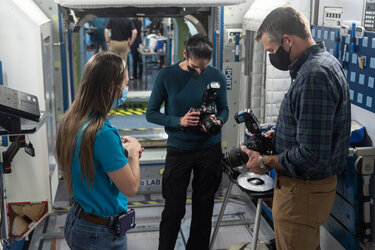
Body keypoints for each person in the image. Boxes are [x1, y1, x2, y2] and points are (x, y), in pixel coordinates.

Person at [240, 7, 351, 250]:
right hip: (305, 192)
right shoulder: (320, 64)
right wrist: (277, 136)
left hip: (302, 193)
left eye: (271, 50)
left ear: (288, 40)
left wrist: (264, 161)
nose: (271, 56)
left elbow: (311, 155)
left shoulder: (314, 75)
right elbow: (309, 130)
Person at [146, 34, 229, 250]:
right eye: (194, 67)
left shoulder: (217, 75)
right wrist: (178, 121)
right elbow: (151, 113)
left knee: (204, 207)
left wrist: (218, 120)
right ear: (185, 55)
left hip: (209, 149)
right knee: (174, 209)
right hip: (179, 149)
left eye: (203, 67)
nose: (199, 72)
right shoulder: (167, 76)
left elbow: (225, 109)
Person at [55, 51, 143, 250]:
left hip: (78, 219)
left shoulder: (72, 119)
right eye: (125, 85)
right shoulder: (102, 133)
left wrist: (117, 152)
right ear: (112, 88)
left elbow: (87, 160)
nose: (125, 90)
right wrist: (133, 154)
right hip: (99, 234)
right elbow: (131, 188)